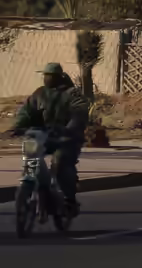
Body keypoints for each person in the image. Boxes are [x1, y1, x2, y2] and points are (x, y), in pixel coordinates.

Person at [12, 62, 87, 214]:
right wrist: (18, 126)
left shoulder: (72, 93)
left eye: (50, 76)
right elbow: (27, 111)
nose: (47, 78)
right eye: (45, 75)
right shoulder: (39, 93)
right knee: (31, 158)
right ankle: (34, 186)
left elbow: (79, 113)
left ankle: (69, 199)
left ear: (59, 77)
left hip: (66, 138)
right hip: (42, 135)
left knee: (60, 163)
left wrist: (69, 129)